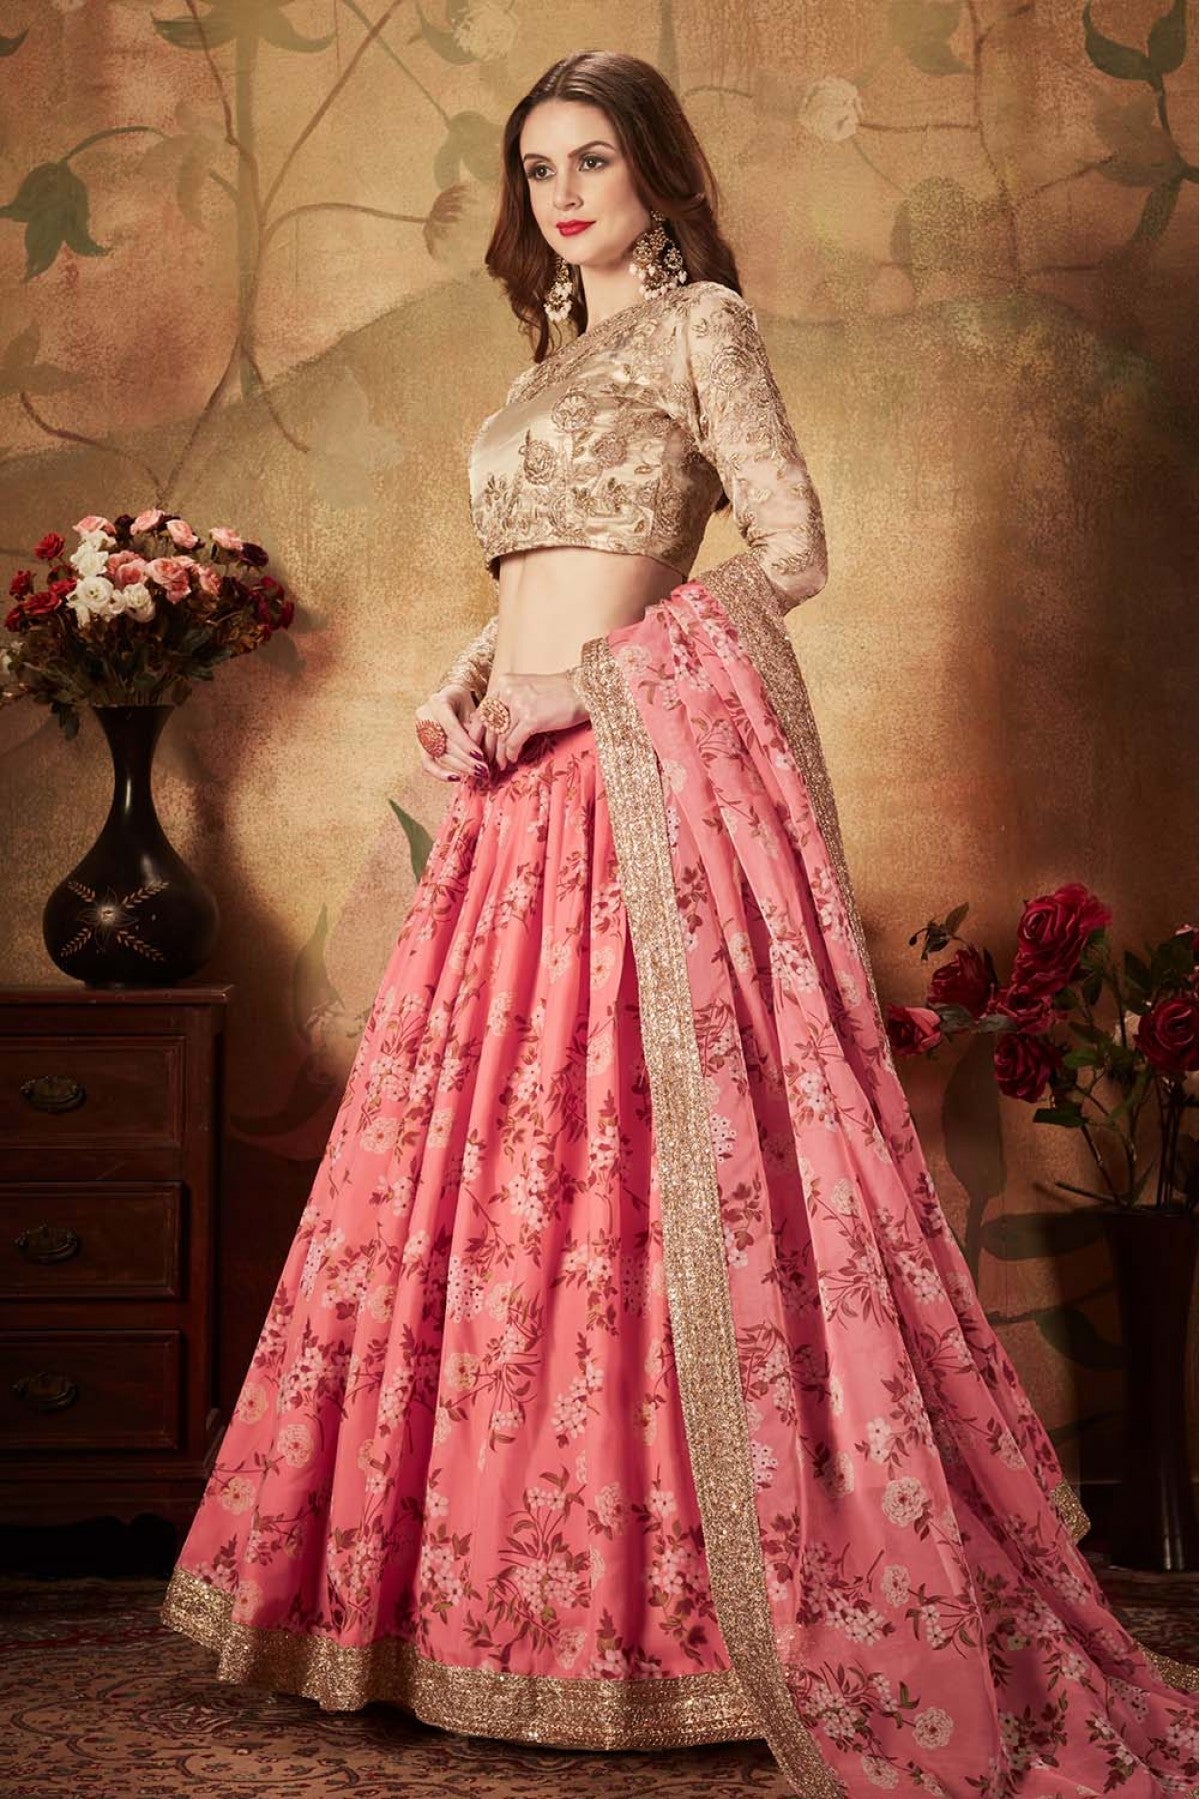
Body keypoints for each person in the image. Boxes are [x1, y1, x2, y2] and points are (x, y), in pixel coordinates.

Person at [160, 48, 1198, 1797]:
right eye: (539, 167)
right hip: (517, 803)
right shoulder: (541, 362)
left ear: (656, 171)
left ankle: (687, 1618)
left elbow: (787, 549)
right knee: (504, 1183)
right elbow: (533, 583)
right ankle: (492, 1604)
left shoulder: (703, 326)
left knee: (647, 1164)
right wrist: (479, 677)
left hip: (636, 794)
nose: (565, 194)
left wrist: (596, 685)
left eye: (594, 160)